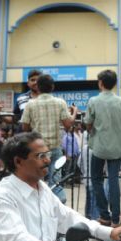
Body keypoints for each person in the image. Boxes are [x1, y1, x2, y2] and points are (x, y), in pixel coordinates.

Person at [85, 69, 121, 227]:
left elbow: (88, 123)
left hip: (98, 146)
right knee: (113, 181)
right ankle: (116, 218)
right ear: (114, 84)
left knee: (96, 180)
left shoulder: (93, 101)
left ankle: (104, 215)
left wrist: (93, 129)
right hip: (116, 146)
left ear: (100, 83)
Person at [22, 74, 77, 202]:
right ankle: (59, 204)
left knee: (37, 180)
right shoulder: (60, 102)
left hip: (37, 149)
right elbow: (68, 125)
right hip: (55, 147)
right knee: (56, 181)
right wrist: (74, 112)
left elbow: (25, 127)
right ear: (52, 87)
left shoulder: (30, 104)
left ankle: (38, 205)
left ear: (38, 87)